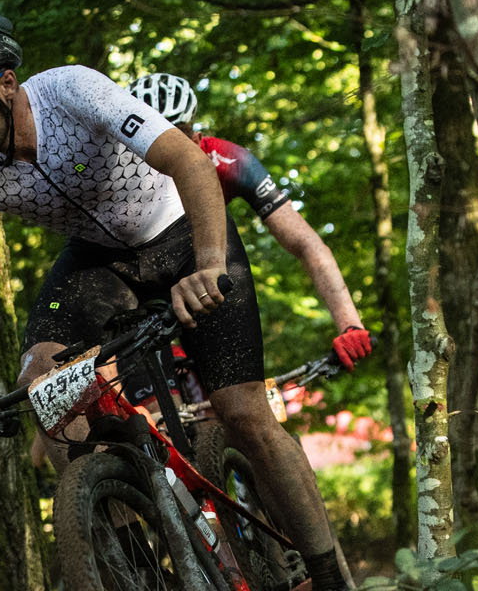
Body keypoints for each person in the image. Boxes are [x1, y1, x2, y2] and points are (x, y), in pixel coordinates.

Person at [0, 11, 353, 591]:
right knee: (44, 383)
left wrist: (209, 266)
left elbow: (189, 161)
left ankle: (333, 587)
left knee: (242, 411)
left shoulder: (71, 91)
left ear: (6, 85)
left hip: (180, 230)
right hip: (99, 259)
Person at [124, 72, 372, 376]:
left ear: (196, 136)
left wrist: (350, 324)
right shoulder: (120, 173)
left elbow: (306, 243)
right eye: (155, 139)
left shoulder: (228, 160)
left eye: (180, 134)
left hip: (199, 275)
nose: (169, 149)